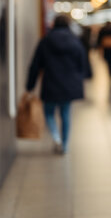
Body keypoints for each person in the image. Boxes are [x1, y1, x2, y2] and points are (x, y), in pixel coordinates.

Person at [26, 14, 86, 154]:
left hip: (51, 82)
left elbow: (35, 65)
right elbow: (82, 64)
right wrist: (79, 80)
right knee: (65, 114)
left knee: (48, 113)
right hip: (69, 84)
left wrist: (30, 85)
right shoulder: (75, 41)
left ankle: (56, 137)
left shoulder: (45, 41)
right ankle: (64, 145)